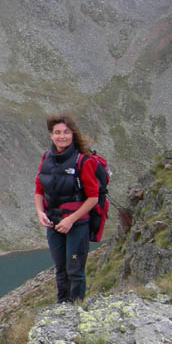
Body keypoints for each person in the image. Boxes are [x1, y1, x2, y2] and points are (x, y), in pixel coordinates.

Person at [34, 114, 99, 303]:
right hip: (53, 223)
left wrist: (71, 219)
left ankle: (76, 309)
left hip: (77, 224)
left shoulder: (83, 161)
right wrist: (40, 212)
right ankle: (62, 307)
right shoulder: (46, 158)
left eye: (66, 132)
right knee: (60, 268)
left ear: (72, 134)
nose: (62, 136)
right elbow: (38, 190)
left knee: (75, 269)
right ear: (51, 135)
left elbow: (93, 198)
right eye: (57, 133)